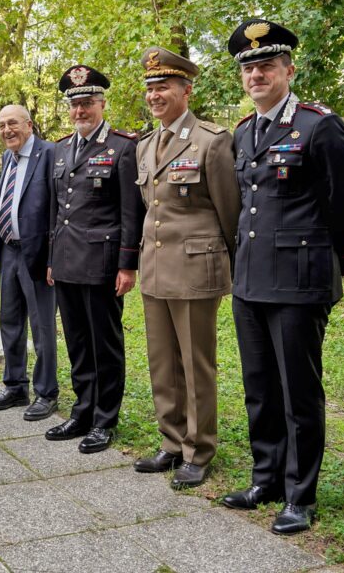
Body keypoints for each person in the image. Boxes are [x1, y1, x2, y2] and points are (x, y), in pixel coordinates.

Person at [221, 20, 344, 534]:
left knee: (299, 389)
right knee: (259, 386)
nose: (256, 74)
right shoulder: (244, 131)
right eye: (248, 68)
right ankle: (267, 478)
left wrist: (329, 269)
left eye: (266, 66)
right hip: (251, 280)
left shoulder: (319, 125)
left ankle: (300, 494)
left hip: (299, 282)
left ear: (288, 70)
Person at [132, 48, 241, 488]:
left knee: (196, 365)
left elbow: (229, 211)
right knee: (162, 362)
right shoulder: (145, 144)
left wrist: (229, 262)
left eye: (164, 88)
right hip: (155, 268)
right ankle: (172, 441)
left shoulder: (211, 141)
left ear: (186, 90)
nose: (156, 96)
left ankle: (199, 450)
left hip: (196, 270)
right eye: (151, 89)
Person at [43, 66, 144, 451]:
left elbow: (130, 212)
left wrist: (127, 264)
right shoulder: (61, 147)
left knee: (105, 344)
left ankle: (105, 419)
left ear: (101, 103)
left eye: (87, 103)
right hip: (67, 261)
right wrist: (53, 259)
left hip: (102, 263)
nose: (81, 111)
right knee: (78, 343)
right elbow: (57, 209)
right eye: (75, 105)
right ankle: (82, 410)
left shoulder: (122, 146)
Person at [0, 104, 58, 421]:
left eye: (12, 123)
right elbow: (9, 199)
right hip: (9, 251)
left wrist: (54, 257)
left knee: (42, 326)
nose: (6, 130)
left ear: (29, 125)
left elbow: (58, 208)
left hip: (37, 252)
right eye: (1, 125)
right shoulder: (8, 159)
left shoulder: (49, 154)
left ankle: (46, 392)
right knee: (10, 322)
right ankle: (15, 386)